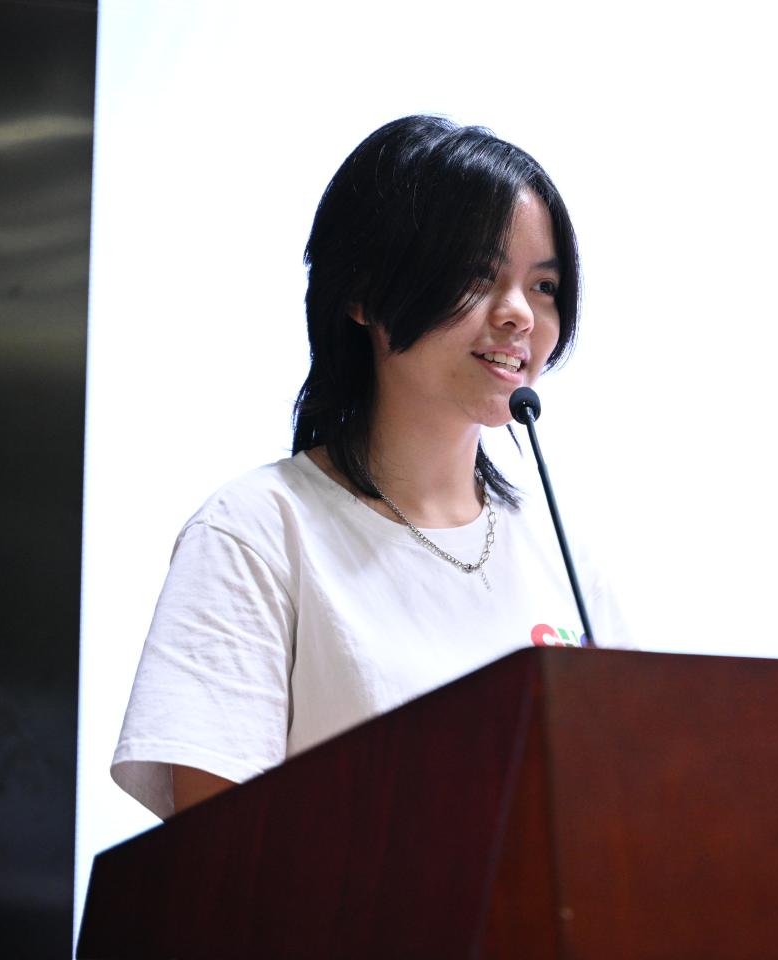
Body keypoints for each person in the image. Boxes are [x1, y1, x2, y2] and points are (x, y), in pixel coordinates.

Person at [111, 116, 631, 819]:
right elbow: (217, 861)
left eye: (544, 285)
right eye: (478, 274)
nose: (519, 315)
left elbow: (623, 808)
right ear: (362, 292)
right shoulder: (256, 532)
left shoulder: (560, 557)